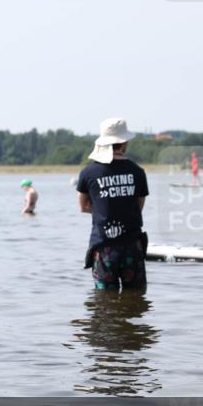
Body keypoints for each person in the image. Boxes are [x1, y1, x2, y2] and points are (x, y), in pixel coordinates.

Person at [76, 118, 149, 291]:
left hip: (103, 247)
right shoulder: (137, 171)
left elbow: (83, 207)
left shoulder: (88, 172)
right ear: (124, 143)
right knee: (136, 297)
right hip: (132, 245)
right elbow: (138, 208)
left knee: (104, 301)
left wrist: (104, 211)